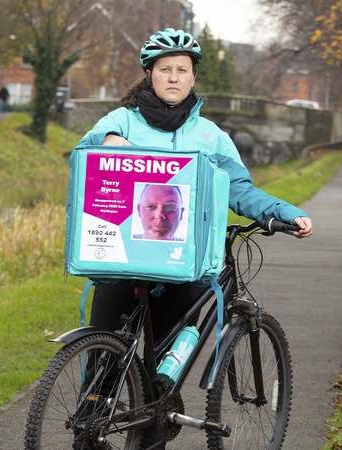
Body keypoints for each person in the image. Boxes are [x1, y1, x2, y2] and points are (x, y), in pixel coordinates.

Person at [74, 28, 313, 449]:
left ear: (192, 78)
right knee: (102, 366)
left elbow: (239, 190)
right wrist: (109, 147)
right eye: (164, 69)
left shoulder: (212, 136)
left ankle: (150, 434)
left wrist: (284, 213)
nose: (173, 77)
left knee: (161, 376)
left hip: (181, 265)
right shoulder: (119, 121)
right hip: (122, 261)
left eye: (181, 70)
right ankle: (89, 432)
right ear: (149, 75)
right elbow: (92, 165)